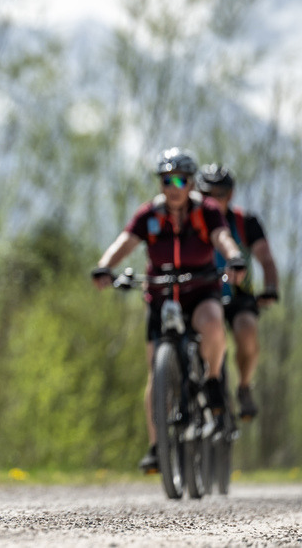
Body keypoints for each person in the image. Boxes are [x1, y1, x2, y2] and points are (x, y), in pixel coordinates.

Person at [91, 147, 245, 474]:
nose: (173, 186)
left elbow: (222, 237)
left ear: (191, 183)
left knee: (214, 324)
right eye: (166, 179)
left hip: (200, 289)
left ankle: (213, 379)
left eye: (180, 179)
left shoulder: (207, 212)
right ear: (160, 183)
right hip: (160, 295)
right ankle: (157, 446)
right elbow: (126, 241)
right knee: (155, 371)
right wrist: (104, 266)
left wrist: (234, 258)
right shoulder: (149, 215)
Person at [196, 164, 279, 421]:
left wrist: (270, 289)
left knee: (247, 329)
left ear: (230, 195)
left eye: (218, 194)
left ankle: (244, 386)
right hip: (199, 294)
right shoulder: (189, 222)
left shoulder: (246, 222)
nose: (211, 199)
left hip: (238, 296)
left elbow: (266, 259)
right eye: (205, 193)